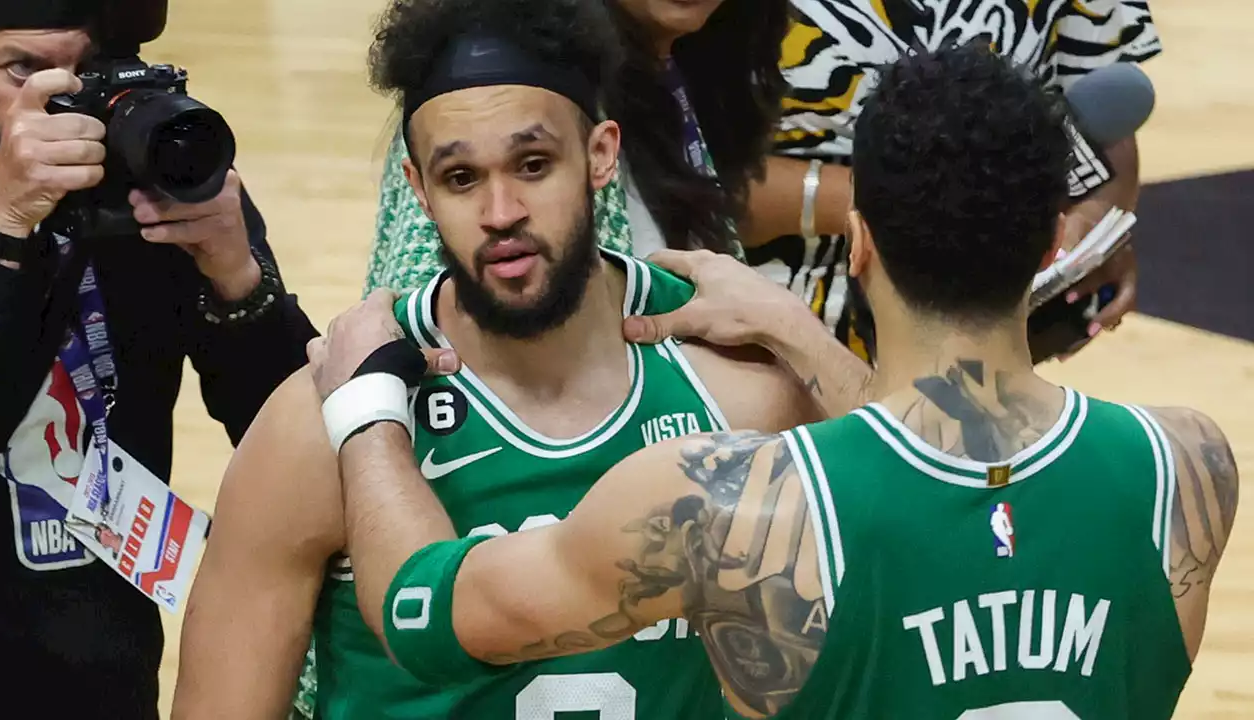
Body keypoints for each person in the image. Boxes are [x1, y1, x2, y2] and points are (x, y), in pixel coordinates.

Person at [313, 45, 1238, 719]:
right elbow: (951, 474)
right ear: (1048, 249)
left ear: (861, 239)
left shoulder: (736, 503)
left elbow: (423, 613)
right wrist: (796, 334)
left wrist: (366, 406)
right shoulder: (1187, 464)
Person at [171, 1, 862, 718]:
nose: (501, 211)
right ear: (420, 191)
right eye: (462, 178)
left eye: (533, 165)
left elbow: (947, 529)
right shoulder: (316, 427)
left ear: (600, 155)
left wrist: (800, 334)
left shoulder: (742, 393)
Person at [0, 3, 317, 715]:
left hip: (106, 661)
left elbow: (286, 440)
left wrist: (237, 277)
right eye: (23, 71)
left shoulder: (150, 164)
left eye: (83, 70)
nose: (61, 107)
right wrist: (1, 231)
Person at [747, 0, 1163, 361]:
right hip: (765, 333)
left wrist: (1092, 228)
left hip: (984, 347)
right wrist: (932, 202)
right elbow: (693, 181)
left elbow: (1107, 113)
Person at [363, 0, 789, 295]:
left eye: (532, 166)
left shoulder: (681, 65)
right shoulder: (489, 83)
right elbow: (421, 325)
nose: (500, 210)